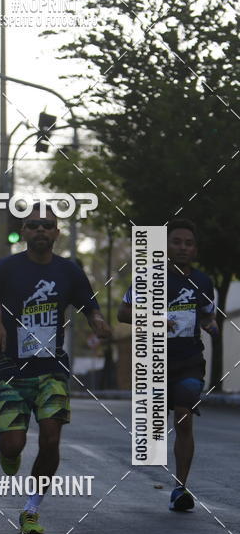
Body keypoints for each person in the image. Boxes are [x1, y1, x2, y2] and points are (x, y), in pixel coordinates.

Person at [0, 203, 110, 534]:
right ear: (24, 231)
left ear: (56, 233)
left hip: (52, 367)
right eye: (33, 225)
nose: (40, 230)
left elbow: (89, 306)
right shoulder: (6, 268)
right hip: (12, 367)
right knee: (12, 445)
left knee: (51, 438)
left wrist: (97, 320)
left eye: (47, 225)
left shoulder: (69, 271)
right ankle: (9, 453)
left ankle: (31, 509)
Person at [117, 218, 218, 512]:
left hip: (190, 360)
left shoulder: (203, 282)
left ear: (195, 250)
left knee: (184, 418)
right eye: (176, 242)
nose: (183, 247)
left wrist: (211, 325)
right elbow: (123, 313)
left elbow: (207, 314)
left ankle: (180, 488)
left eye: (189, 243)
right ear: (165, 246)